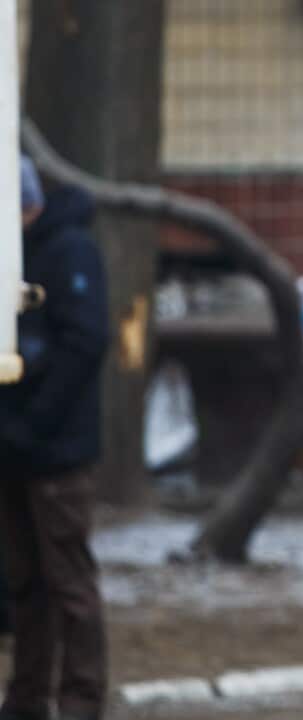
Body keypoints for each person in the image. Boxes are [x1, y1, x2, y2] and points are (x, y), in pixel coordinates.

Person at [0, 158, 109, 720]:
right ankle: (27, 697)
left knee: (67, 584)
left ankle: (80, 700)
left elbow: (84, 344)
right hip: (18, 448)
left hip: (55, 452)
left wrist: (35, 421)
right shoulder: (18, 255)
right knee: (26, 584)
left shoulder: (66, 253)